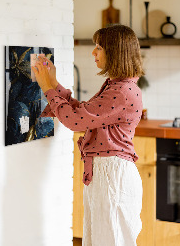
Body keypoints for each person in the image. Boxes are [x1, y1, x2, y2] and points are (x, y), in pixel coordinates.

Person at [32, 24, 144, 246]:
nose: (94, 53)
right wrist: (53, 84)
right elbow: (83, 113)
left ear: (115, 52)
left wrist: (47, 87)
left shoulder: (121, 91)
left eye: (99, 47)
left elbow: (75, 121)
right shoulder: (117, 86)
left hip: (112, 177)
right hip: (107, 175)